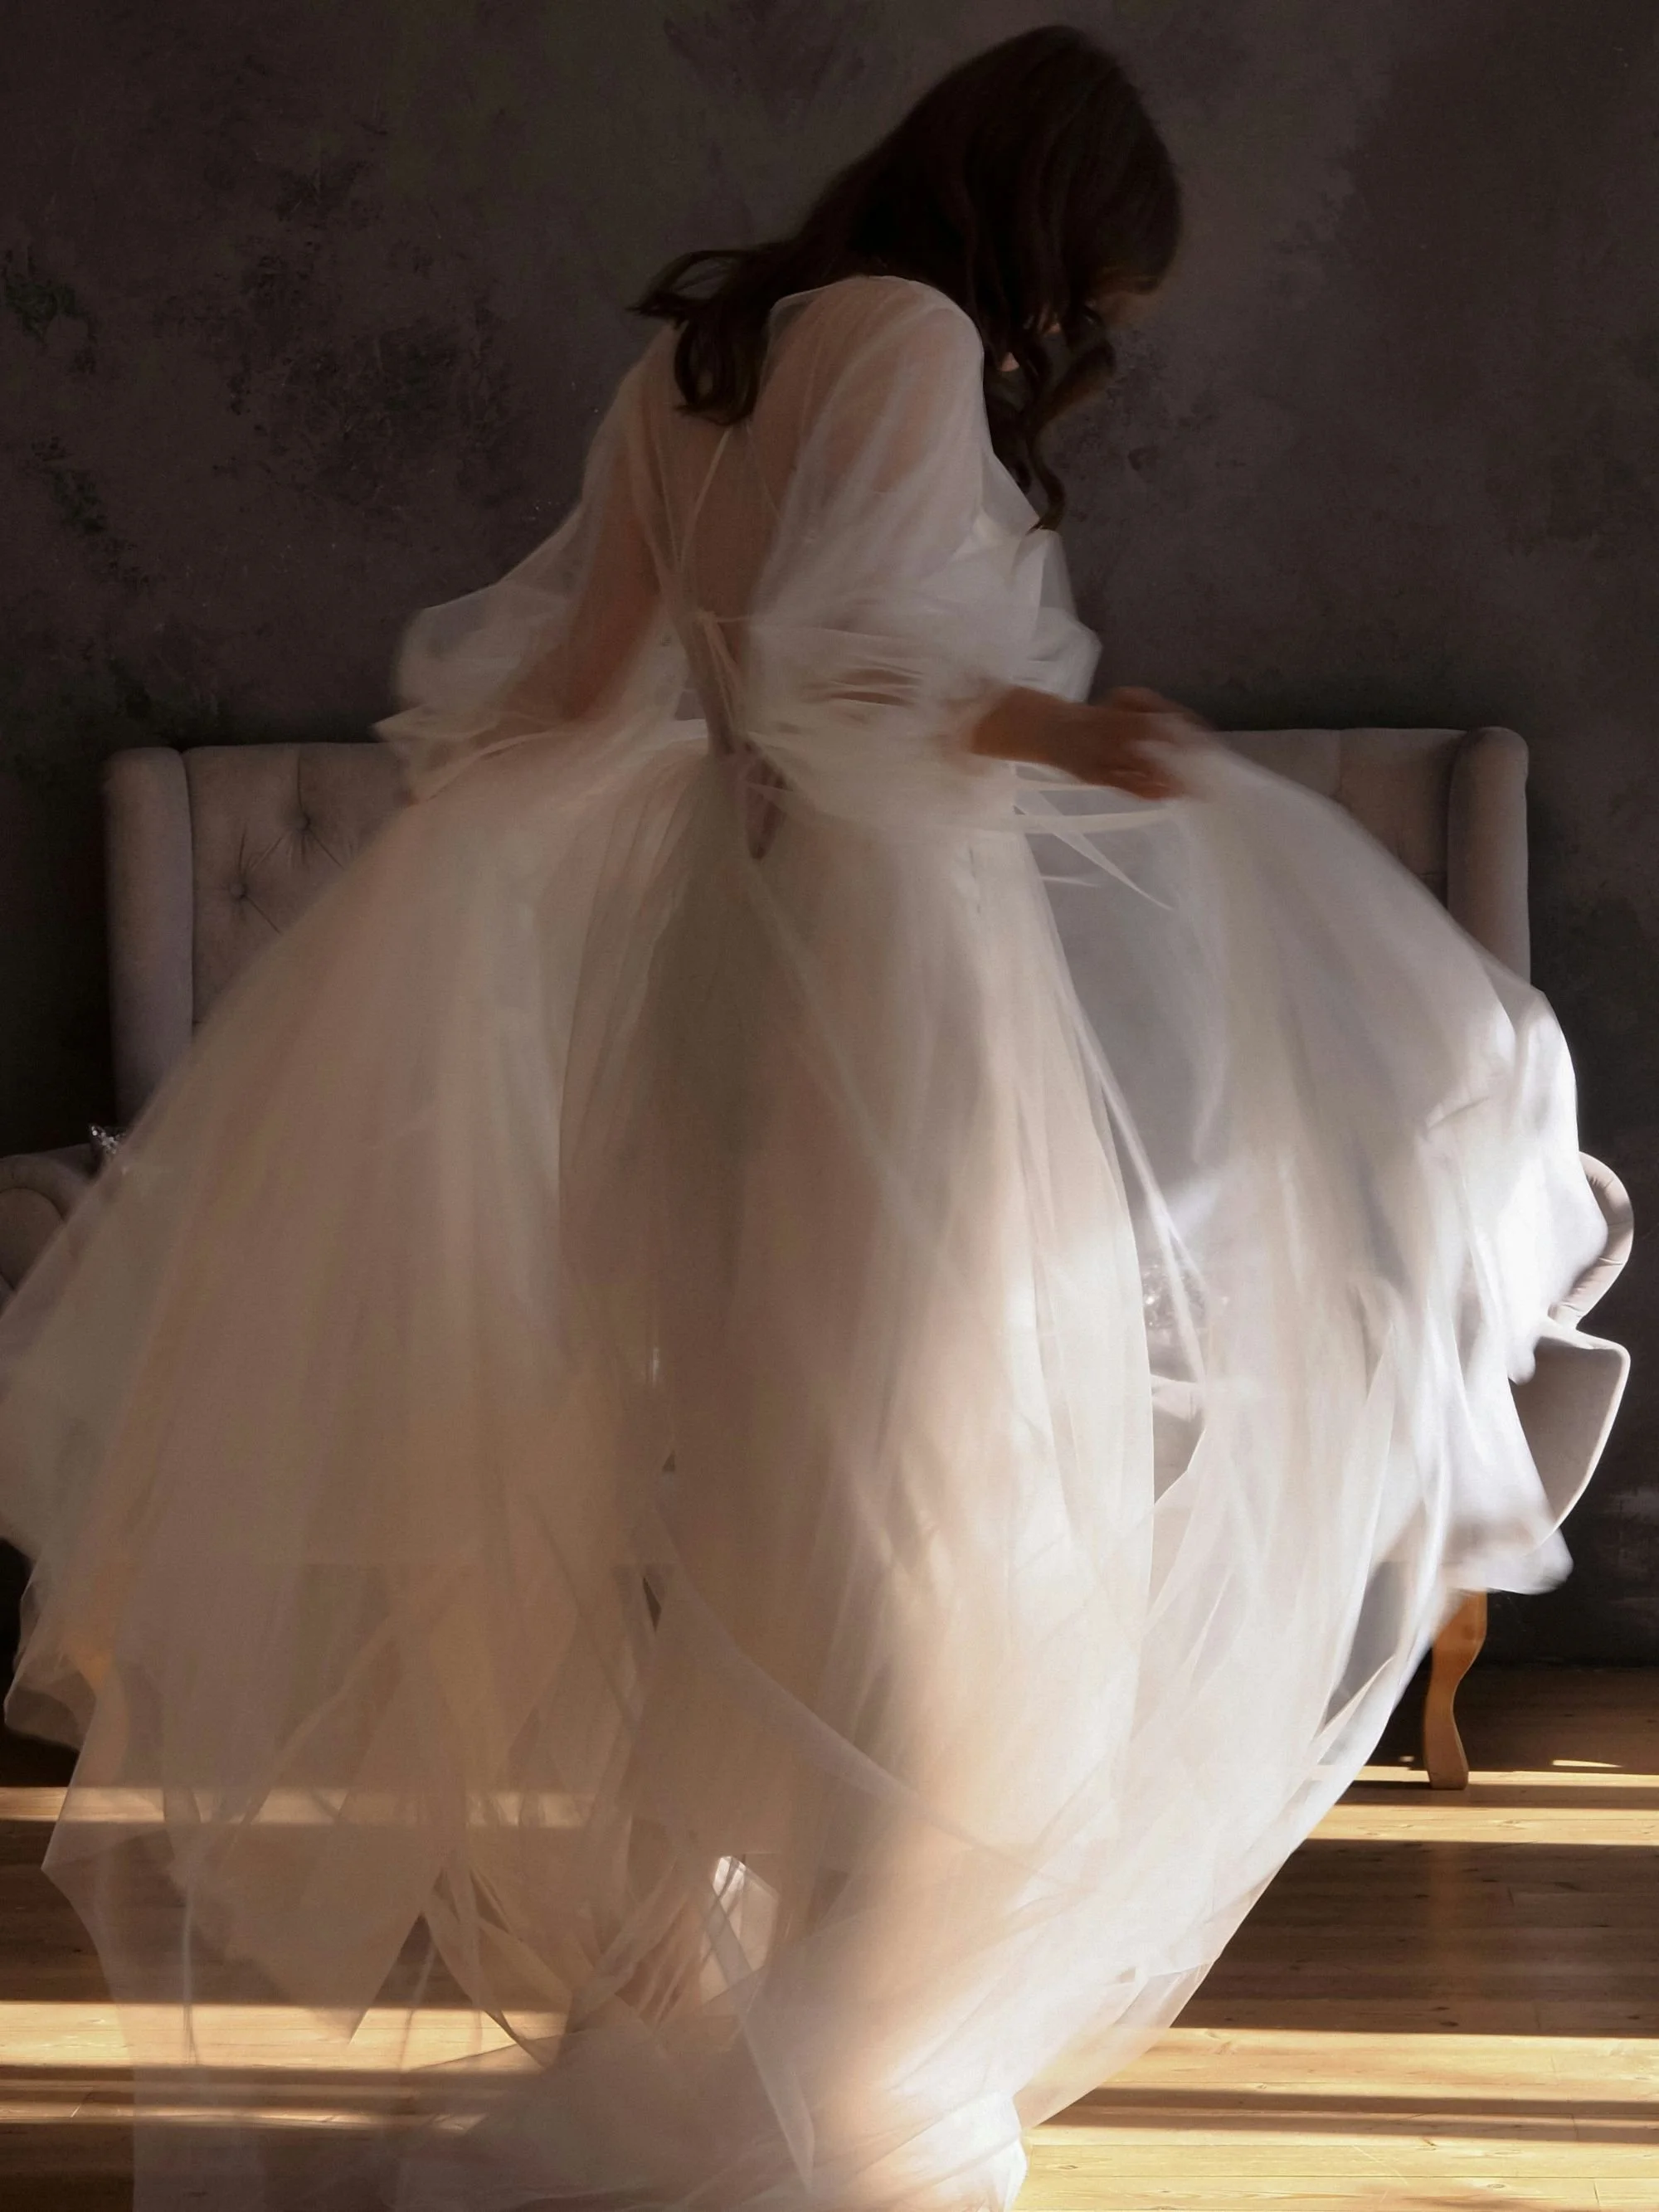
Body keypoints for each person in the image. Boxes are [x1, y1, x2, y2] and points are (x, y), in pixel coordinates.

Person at [0, 25, 1613, 2211]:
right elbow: (862, 673)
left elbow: (590, 689)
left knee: (775, 1464)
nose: (1065, 338)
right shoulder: (915, 334)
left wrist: (495, 878)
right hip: (879, 975)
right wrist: (1081, 731)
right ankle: (798, 2060)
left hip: (723, 965)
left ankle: (747, 2012)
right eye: (1087, 296)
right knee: (902, 1479)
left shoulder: (704, 364)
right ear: (1032, 217)